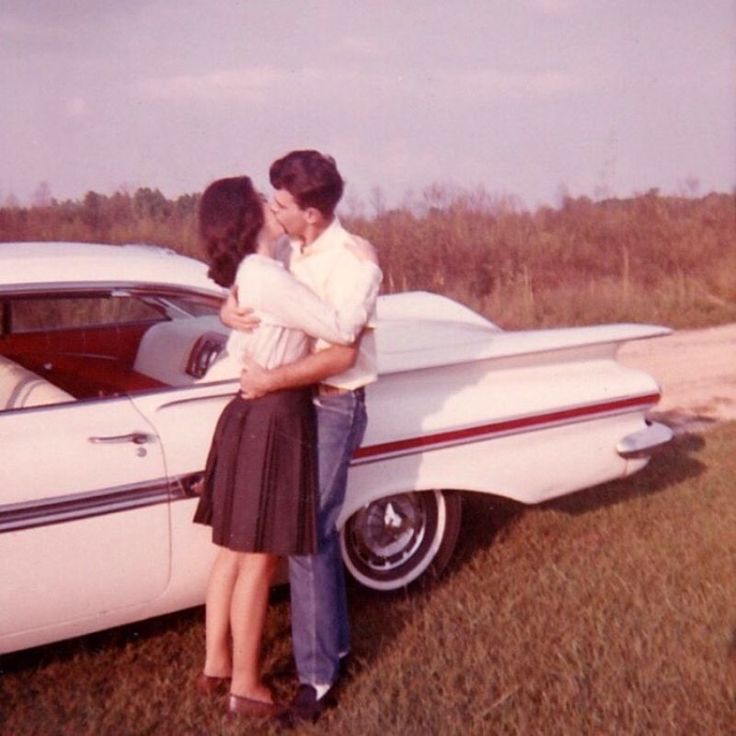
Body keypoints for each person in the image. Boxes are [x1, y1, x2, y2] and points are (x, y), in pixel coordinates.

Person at [192, 175, 381, 719]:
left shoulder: (263, 270)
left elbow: (258, 297)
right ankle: (247, 686)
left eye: (280, 200)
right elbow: (343, 328)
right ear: (252, 219)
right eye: (266, 201)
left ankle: (218, 666)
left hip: (251, 411)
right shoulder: (270, 272)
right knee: (257, 555)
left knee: (234, 550)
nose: (274, 207)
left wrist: (228, 306)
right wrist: (373, 267)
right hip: (271, 414)